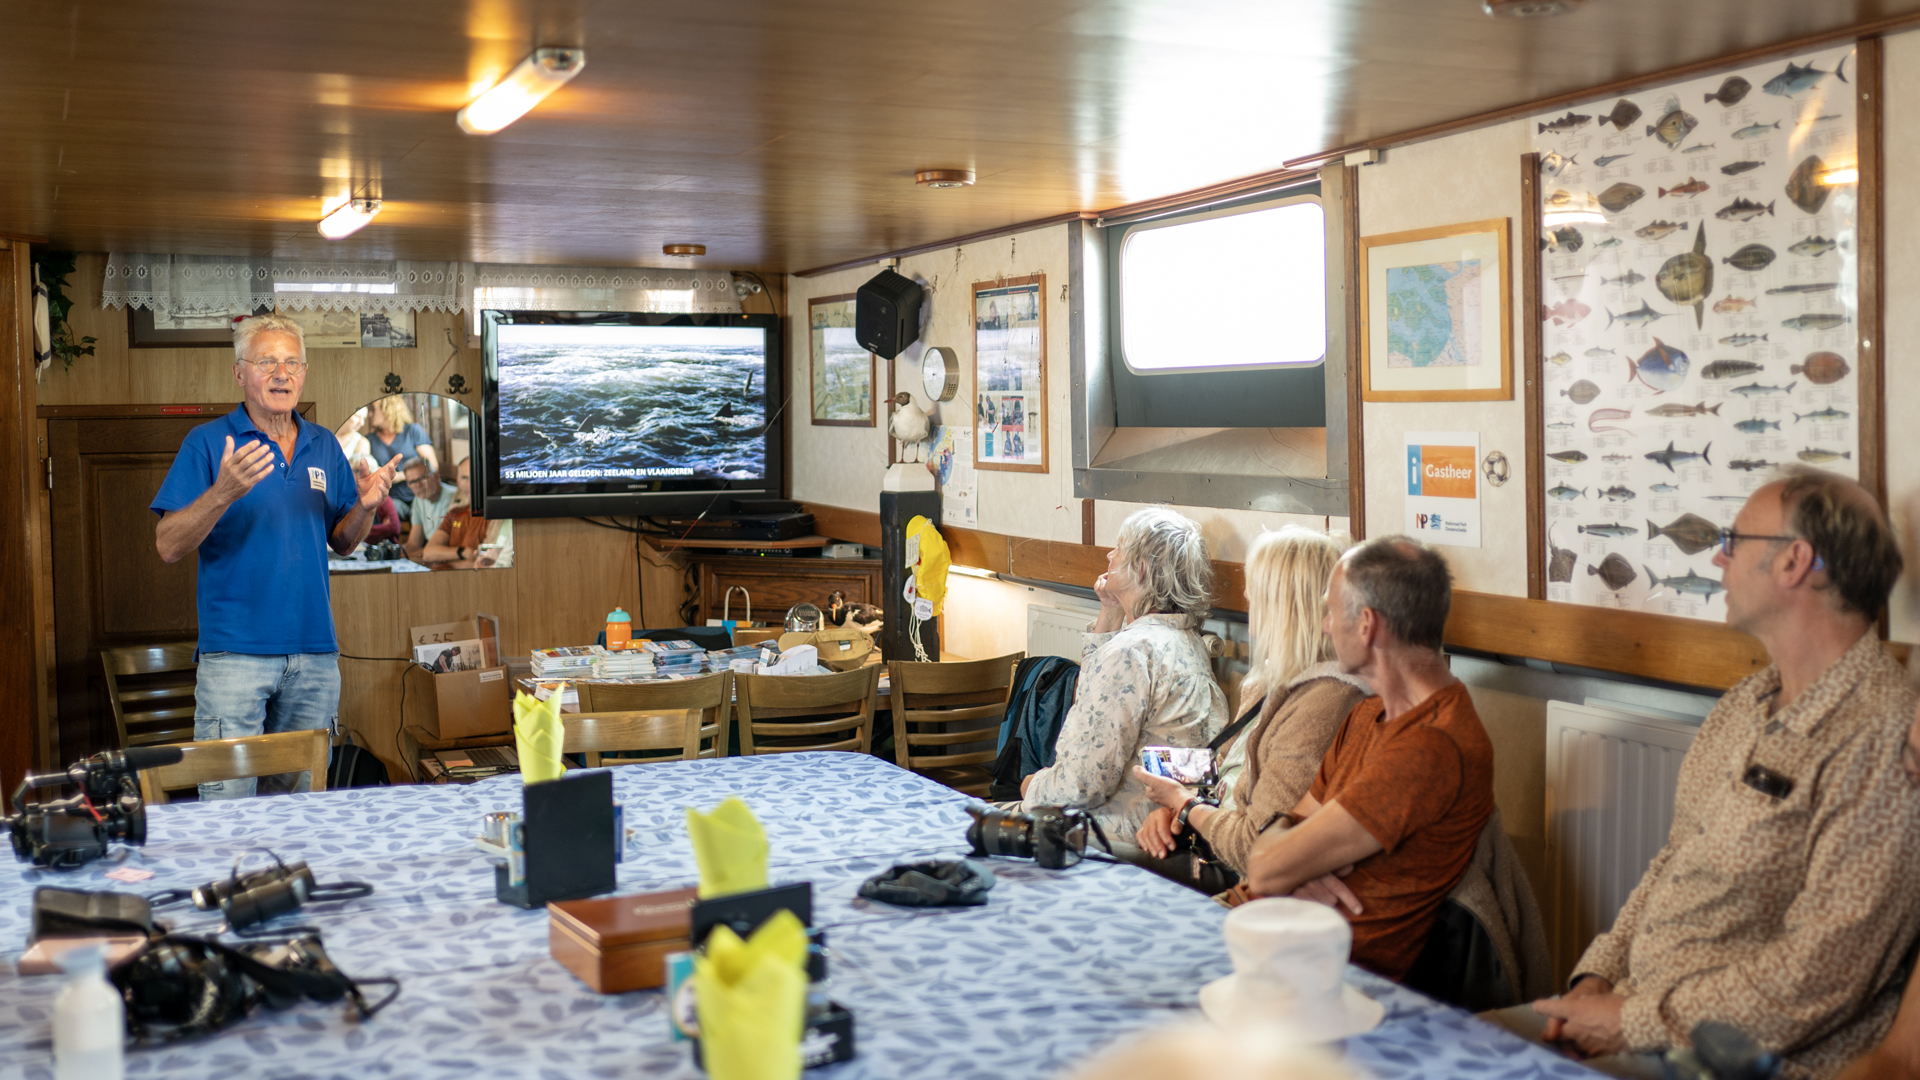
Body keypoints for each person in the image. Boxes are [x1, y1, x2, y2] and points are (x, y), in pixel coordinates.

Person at [1497, 467, 1920, 1080]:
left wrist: (1628, 1022)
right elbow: (1674, 861)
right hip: (1638, 1013)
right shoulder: (1744, 702)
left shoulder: (1881, 736)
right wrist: (1595, 980)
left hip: (1742, 1060)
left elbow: (1816, 977)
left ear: (1794, 562)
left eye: (1734, 540)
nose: (1718, 560)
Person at [151, 313, 399, 800]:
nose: (281, 373)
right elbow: (168, 544)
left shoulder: (324, 444)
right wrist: (222, 492)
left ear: (304, 372)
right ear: (239, 373)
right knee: (228, 808)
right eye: (266, 361)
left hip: (315, 657)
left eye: (291, 362)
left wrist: (367, 509)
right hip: (234, 658)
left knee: (303, 810)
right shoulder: (207, 443)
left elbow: (344, 541)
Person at [1237, 535, 1493, 983]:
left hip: (1313, 972)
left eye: (1332, 613)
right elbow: (1278, 838)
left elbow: (1262, 867)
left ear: (1367, 626)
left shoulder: (1430, 746)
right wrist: (1294, 857)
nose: (1324, 626)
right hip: (1263, 933)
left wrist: (1289, 858)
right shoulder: (1366, 715)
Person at [1131, 526, 1371, 885]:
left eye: (1254, 599)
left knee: (1086, 856)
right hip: (1207, 841)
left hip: (1235, 873)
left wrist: (1184, 804)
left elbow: (1256, 848)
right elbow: (1222, 777)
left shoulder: (1326, 705)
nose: (1248, 611)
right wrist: (1174, 813)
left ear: (1287, 610)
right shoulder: (1268, 681)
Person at [1014, 507, 1227, 841]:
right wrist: (1111, 610)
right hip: (1169, 819)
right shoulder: (1187, 641)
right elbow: (1096, 691)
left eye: (1120, 549)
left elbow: (1081, 787)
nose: (1110, 555)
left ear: (1140, 570)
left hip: (1117, 829)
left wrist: (1031, 785)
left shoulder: (1130, 652)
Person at [424, 458, 506, 567]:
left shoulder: (494, 515)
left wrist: (445, 560)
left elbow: (482, 565)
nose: (469, 484)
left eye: (475, 477)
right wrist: (462, 552)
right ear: (458, 481)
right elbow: (428, 554)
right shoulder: (457, 510)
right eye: (464, 478)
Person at [364, 396, 436, 509]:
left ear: (388, 409)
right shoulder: (368, 440)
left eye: (374, 409)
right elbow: (368, 474)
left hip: (419, 495)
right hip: (391, 499)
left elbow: (432, 465)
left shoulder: (413, 431)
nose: (370, 414)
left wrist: (403, 476)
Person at [401, 457, 455, 558]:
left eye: (422, 478)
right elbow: (414, 543)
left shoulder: (452, 498)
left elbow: (439, 546)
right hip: (432, 553)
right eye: (412, 482)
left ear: (436, 476)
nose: (418, 485)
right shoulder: (419, 499)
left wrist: (404, 557)